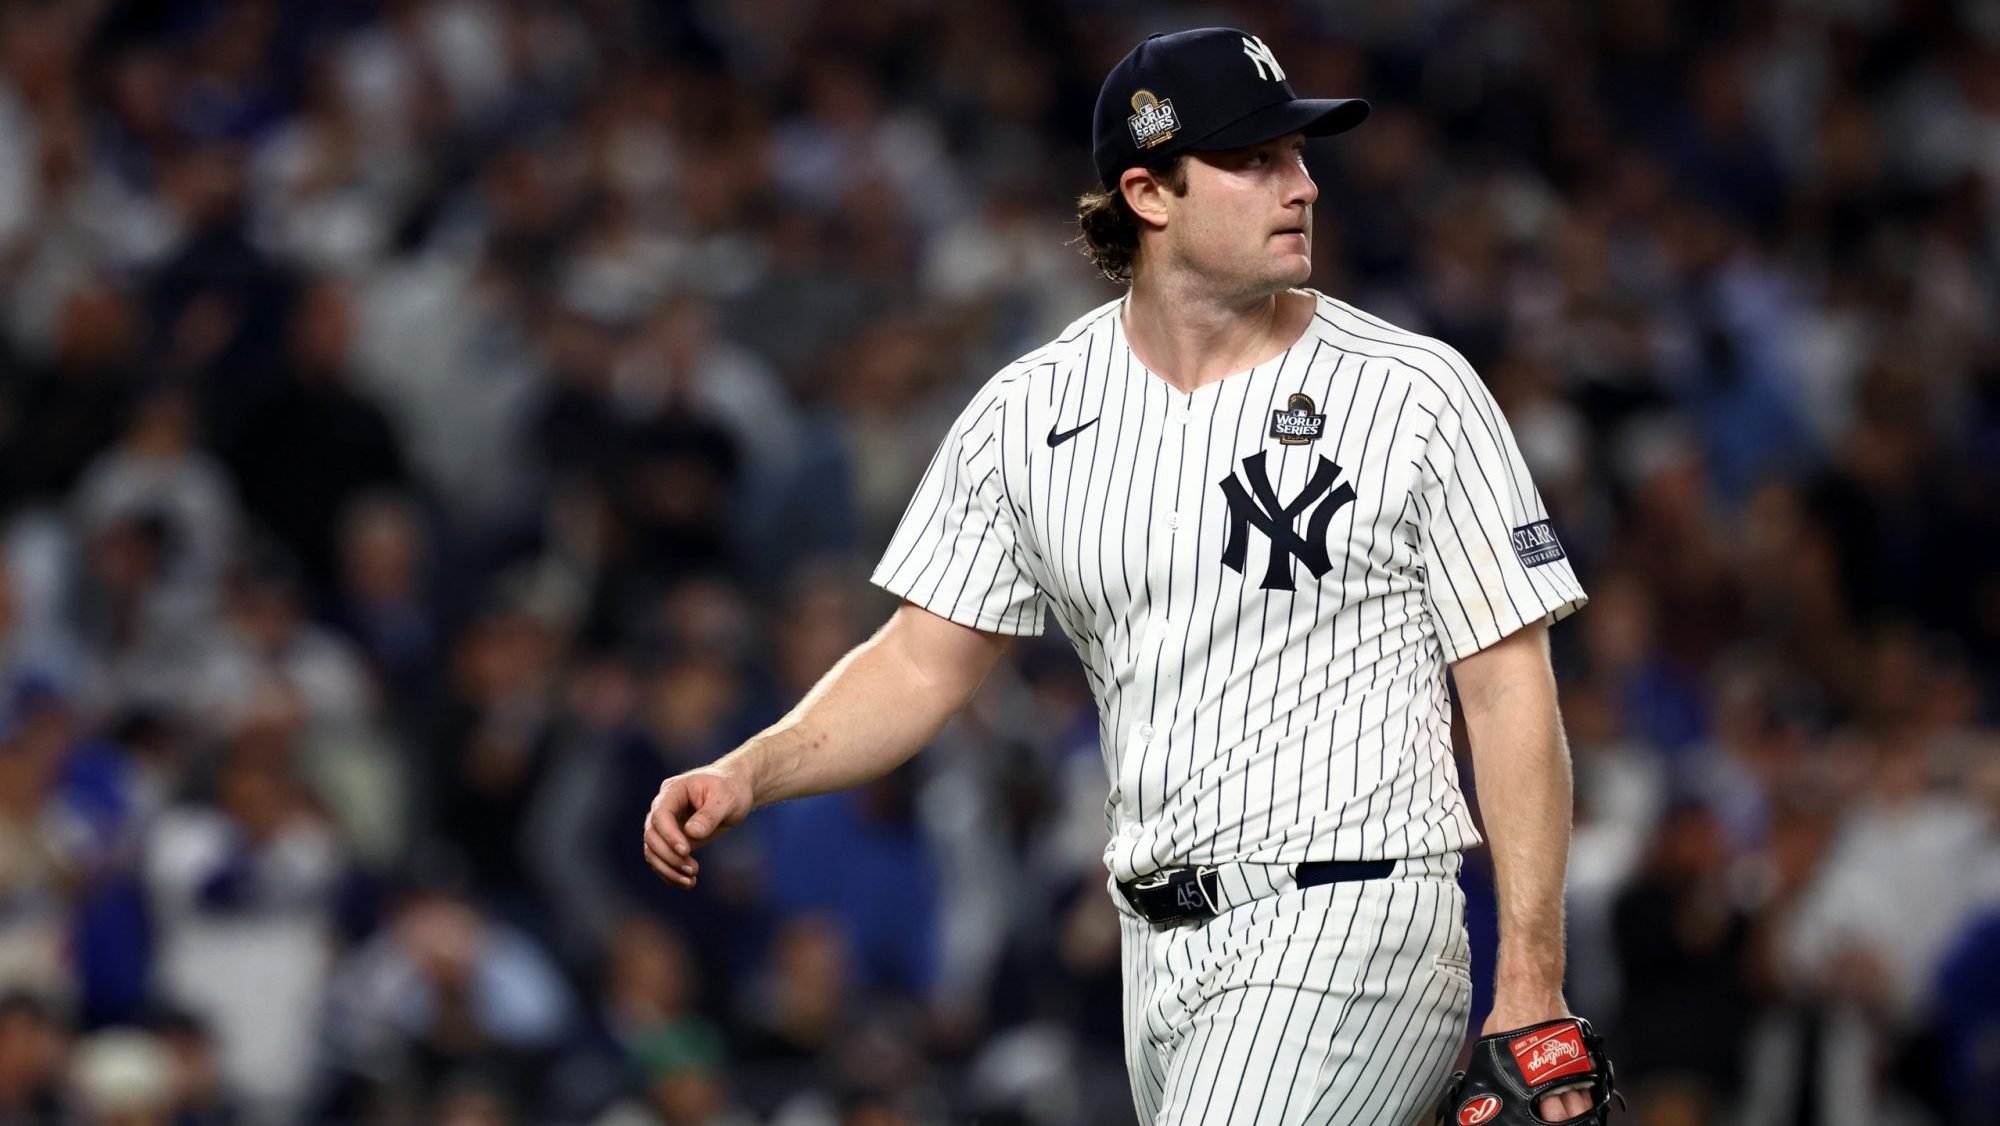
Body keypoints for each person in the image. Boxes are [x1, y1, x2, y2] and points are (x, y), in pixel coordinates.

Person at [645, 28, 1593, 1125]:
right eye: (1255, 161)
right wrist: (751, 770)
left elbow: (1507, 686)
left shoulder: (1414, 391)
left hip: (1356, 919)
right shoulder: (1029, 412)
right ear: (1147, 193)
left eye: (1298, 152)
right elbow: (916, 660)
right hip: (1153, 954)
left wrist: (1528, 977)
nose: (1302, 184)